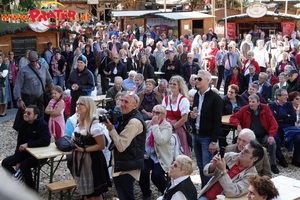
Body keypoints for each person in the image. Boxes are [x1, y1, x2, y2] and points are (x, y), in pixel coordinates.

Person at [103, 92, 146, 200]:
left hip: (127, 167)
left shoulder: (134, 122)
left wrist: (111, 129)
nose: (122, 104)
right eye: (122, 100)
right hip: (123, 164)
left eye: (126, 102)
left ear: (135, 105)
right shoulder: (126, 117)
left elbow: (121, 145)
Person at [2, 105, 51, 189]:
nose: (25, 115)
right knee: (5, 162)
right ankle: (18, 181)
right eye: (24, 112)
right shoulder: (23, 125)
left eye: (29, 113)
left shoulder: (42, 124)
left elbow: (46, 141)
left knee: (24, 165)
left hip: (39, 155)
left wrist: (28, 144)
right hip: (25, 153)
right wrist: (18, 161)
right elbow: (19, 143)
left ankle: (31, 189)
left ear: (36, 116)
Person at [72, 96, 111, 199]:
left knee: (96, 193)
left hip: (93, 160)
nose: (78, 106)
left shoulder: (94, 123)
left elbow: (101, 145)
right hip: (81, 159)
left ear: (88, 107)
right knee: (86, 193)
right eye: (77, 103)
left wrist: (84, 149)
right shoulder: (79, 120)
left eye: (81, 104)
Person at [230, 94, 280, 174]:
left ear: (258, 102)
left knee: (272, 142)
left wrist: (271, 135)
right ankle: (255, 165)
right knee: (254, 146)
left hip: (264, 134)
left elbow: (274, 124)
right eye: (249, 101)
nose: (251, 104)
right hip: (252, 136)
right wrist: (238, 125)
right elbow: (233, 117)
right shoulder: (245, 109)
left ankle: (273, 164)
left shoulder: (265, 108)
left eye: (253, 102)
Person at [198, 140, 264, 199]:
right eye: (243, 148)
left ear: (255, 158)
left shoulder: (252, 176)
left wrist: (223, 171)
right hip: (206, 195)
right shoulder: (230, 156)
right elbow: (205, 171)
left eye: (246, 151)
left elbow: (232, 192)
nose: (242, 151)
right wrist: (214, 165)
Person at [189, 70, 222, 188]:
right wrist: (192, 117)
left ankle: (208, 193)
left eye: (199, 79)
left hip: (207, 137)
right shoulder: (197, 95)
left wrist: (213, 141)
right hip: (196, 134)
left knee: (207, 166)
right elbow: (195, 112)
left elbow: (217, 121)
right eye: (196, 78)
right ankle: (204, 189)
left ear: (208, 81)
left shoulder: (215, 98)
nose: (196, 81)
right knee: (200, 165)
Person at [138, 105, 173, 200]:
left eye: (157, 113)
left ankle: (167, 192)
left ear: (163, 115)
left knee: (156, 176)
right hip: (148, 155)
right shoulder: (148, 123)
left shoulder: (167, 126)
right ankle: (146, 194)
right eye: (153, 112)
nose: (154, 114)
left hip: (161, 156)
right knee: (142, 172)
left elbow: (160, 141)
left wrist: (156, 125)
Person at [13, 50, 53, 132]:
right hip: (28, 99)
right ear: (28, 59)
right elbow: (17, 85)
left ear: (38, 59)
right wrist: (19, 99)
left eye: (36, 60)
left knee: (40, 118)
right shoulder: (23, 70)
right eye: (32, 61)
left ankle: (39, 132)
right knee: (26, 119)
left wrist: (54, 94)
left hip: (40, 98)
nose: (34, 63)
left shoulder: (43, 68)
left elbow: (50, 81)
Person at [269, 88, 300, 168]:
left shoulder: (289, 104)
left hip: (290, 128)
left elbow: (293, 118)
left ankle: (296, 159)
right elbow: (273, 118)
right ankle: (281, 158)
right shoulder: (272, 105)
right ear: (278, 97)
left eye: (287, 95)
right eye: (285, 95)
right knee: (275, 139)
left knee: (299, 138)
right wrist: (286, 115)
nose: (287, 97)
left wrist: (280, 118)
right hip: (277, 128)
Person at [162, 75, 190, 156]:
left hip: (178, 127)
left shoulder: (183, 100)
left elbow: (184, 118)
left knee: (180, 149)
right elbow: (163, 114)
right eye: (170, 83)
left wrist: (173, 127)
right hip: (167, 126)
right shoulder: (166, 99)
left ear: (179, 86)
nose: (172, 86)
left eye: (174, 84)